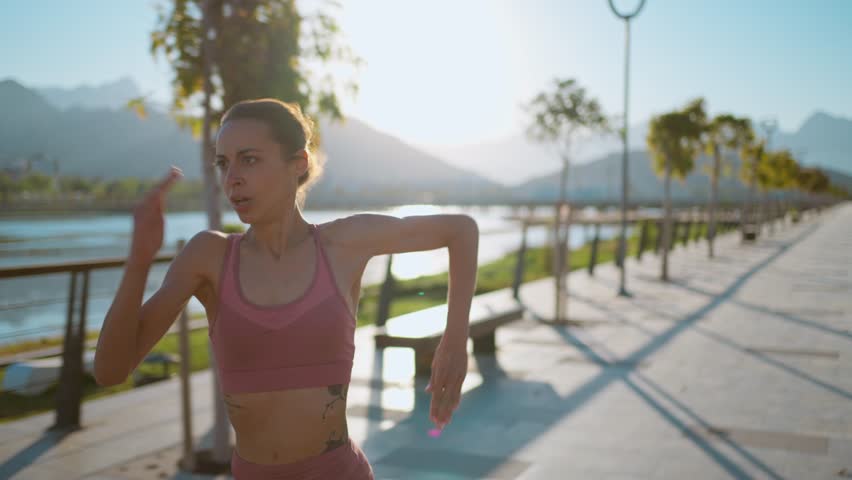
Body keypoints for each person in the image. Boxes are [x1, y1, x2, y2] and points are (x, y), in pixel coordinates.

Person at [93, 98, 479, 479]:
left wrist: (454, 340)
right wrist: (140, 257)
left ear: (299, 164)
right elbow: (111, 371)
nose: (232, 179)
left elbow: (460, 230)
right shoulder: (209, 256)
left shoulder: (342, 244)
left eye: (249, 159)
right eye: (223, 164)